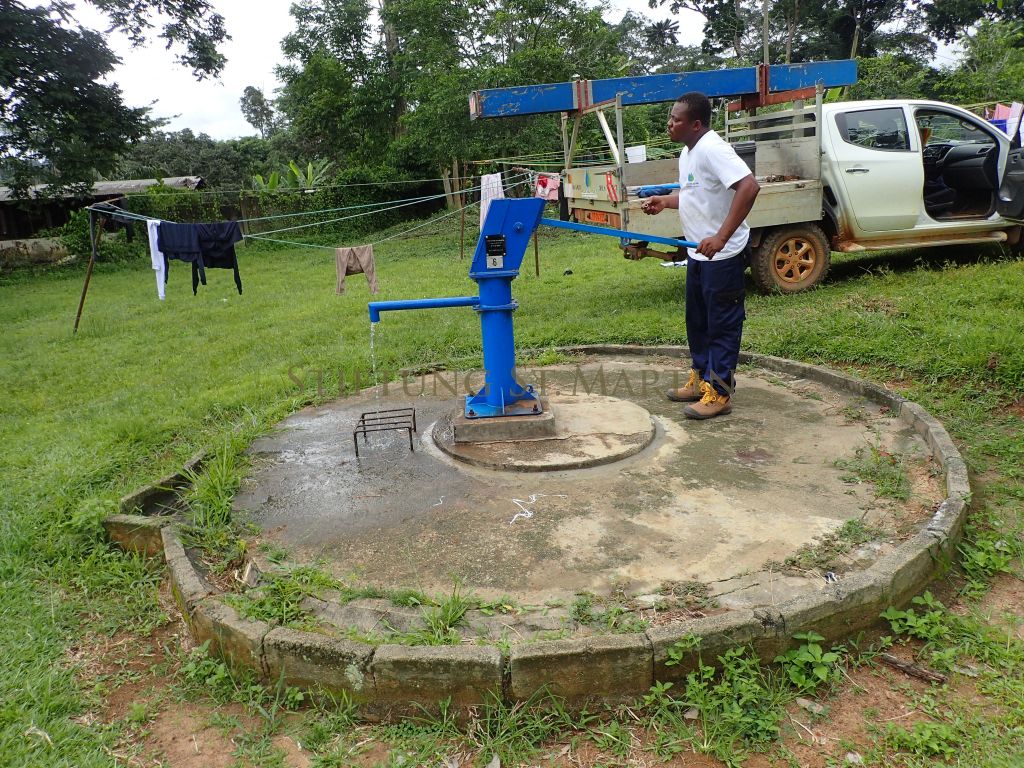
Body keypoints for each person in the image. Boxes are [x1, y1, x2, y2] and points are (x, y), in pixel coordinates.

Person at [641, 92, 760, 419]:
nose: (669, 123)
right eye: (671, 117)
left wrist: (721, 237)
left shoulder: (712, 149)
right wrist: (665, 201)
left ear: (695, 124)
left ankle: (719, 393)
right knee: (698, 322)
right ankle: (701, 379)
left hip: (723, 257)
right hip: (698, 254)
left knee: (722, 326)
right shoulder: (688, 151)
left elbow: (749, 186)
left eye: (676, 119)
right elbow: (695, 195)